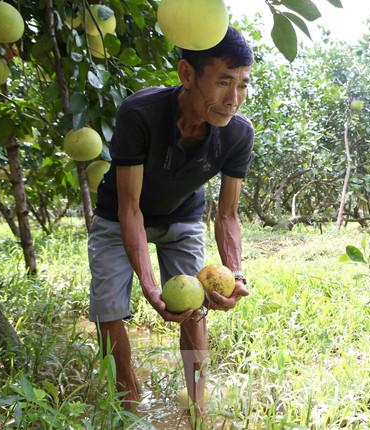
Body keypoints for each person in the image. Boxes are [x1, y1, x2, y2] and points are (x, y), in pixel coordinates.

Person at [86, 26, 253, 421]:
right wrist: (148, 284)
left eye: (243, 85)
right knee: (108, 307)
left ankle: (198, 404)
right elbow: (130, 208)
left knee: (195, 308)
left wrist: (235, 272)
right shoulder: (140, 113)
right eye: (224, 82)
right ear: (186, 74)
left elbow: (228, 214)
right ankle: (127, 399)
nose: (233, 100)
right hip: (119, 214)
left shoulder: (238, 134)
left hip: (182, 215)